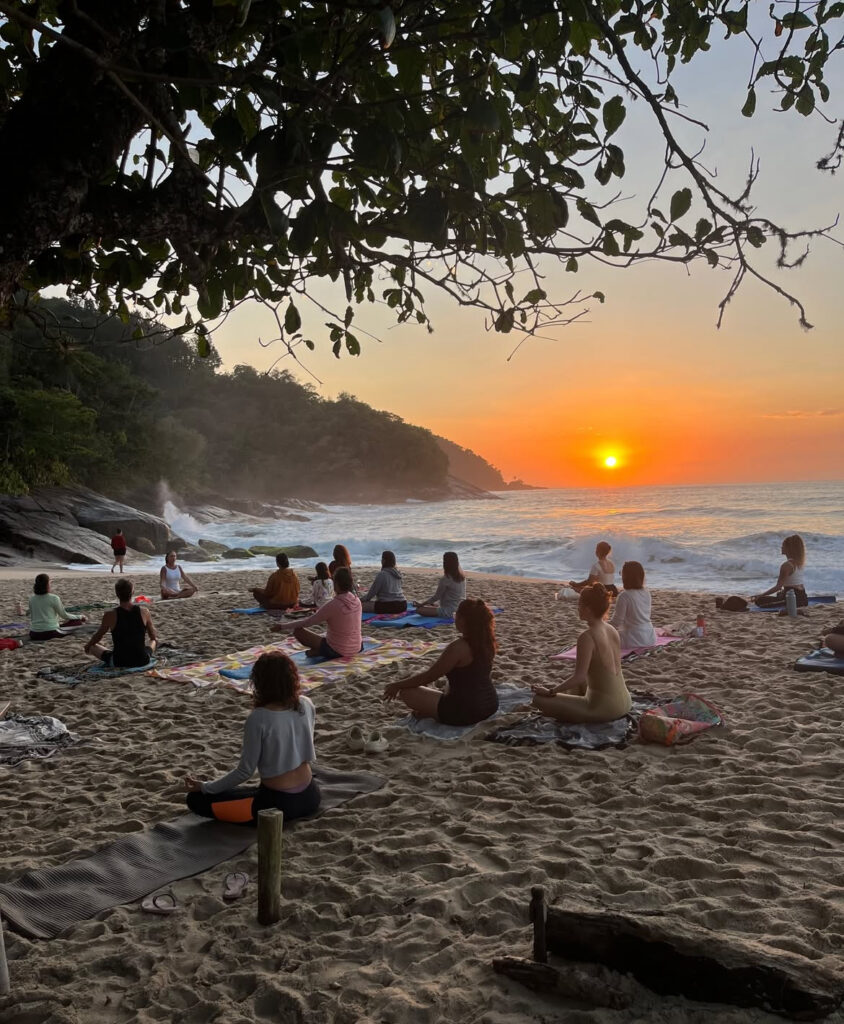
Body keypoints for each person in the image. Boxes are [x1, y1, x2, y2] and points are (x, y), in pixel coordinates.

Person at [184, 652, 320, 825]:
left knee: (195, 799)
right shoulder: (306, 704)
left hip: (277, 805)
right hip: (311, 795)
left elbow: (245, 772)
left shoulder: (259, 718)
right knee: (238, 794)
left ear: (260, 683)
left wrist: (204, 787)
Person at [383, 598, 499, 725]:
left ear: (463, 620)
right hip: (490, 705)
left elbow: (428, 676)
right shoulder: (487, 642)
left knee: (407, 692)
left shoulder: (458, 647)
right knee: (452, 685)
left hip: (467, 711)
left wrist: (397, 685)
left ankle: (434, 715)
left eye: (456, 615)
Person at [531, 583, 632, 723]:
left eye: (580, 605)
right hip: (626, 702)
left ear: (588, 609)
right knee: (580, 683)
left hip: (605, 709)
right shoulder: (612, 630)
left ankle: (570, 703)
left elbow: (578, 677)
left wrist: (550, 692)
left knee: (538, 699)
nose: (578, 608)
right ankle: (570, 701)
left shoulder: (587, 637)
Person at [271, 567, 362, 659]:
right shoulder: (357, 601)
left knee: (298, 631)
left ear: (336, 584)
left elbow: (307, 622)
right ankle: (318, 651)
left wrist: (282, 626)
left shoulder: (333, 605)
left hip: (338, 651)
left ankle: (320, 651)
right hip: (358, 647)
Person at [83, 578, 157, 667]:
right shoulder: (145, 612)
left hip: (119, 662)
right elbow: (152, 635)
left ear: (117, 594)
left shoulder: (109, 614)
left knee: (92, 646)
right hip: (142, 660)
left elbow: (98, 636)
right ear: (132, 593)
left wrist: (88, 645)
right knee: (153, 641)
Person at [751, 534, 808, 609]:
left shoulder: (787, 565)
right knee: (778, 594)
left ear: (789, 548)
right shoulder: (799, 563)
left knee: (760, 600)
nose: (781, 547)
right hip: (803, 598)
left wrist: (761, 595)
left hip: (792, 600)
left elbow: (778, 587)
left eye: (783, 545)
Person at [609, 561, 656, 648]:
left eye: (621, 573)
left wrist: (603, 627)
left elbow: (617, 622)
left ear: (626, 577)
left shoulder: (624, 596)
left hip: (633, 639)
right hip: (650, 637)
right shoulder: (646, 592)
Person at [28, 574, 87, 641]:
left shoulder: (31, 599)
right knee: (78, 622)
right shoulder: (54, 598)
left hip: (34, 633)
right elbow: (64, 615)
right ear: (47, 585)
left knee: (64, 624)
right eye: (50, 583)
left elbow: (33, 617)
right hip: (50, 633)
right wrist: (80, 617)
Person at [416, 551, 466, 618]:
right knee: (432, 605)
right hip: (460, 608)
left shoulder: (446, 579)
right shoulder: (462, 577)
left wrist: (421, 604)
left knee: (419, 610)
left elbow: (436, 597)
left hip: (449, 611)